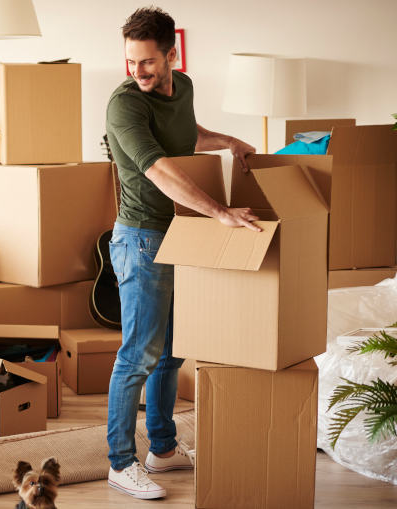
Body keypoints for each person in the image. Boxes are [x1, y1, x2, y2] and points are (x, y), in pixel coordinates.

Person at [105, 6, 260, 501]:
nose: (137, 72)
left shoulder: (184, 86)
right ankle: (120, 462)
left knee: (171, 353)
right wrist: (220, 212)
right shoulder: (124, 105)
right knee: (137, 356)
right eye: (131, 62)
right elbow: (160, 169)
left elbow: (185, 136)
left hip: (179, 233)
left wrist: (228, 141)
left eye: (147, 62)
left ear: (172, 55)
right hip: (141, 239)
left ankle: (163, 449)